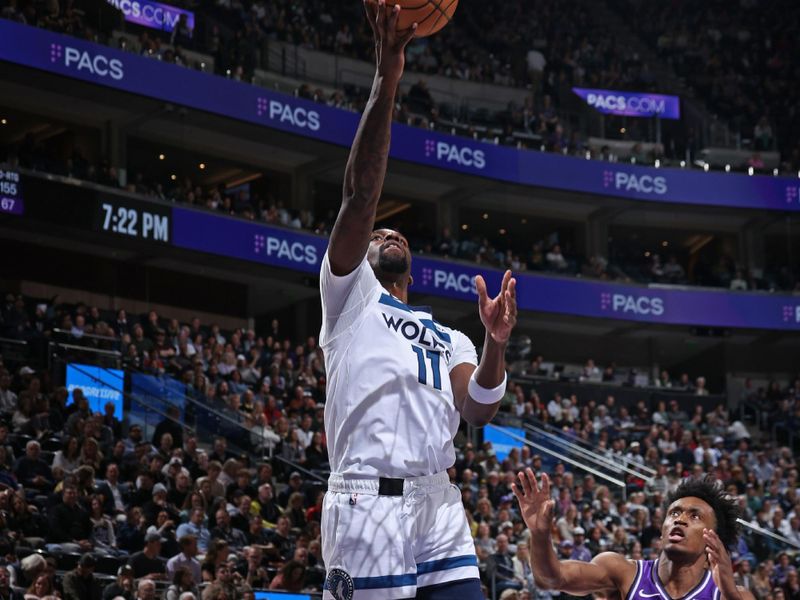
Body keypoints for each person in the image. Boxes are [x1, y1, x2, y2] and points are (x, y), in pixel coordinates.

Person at [318, 1, 517, 598]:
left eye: (395, 232)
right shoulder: (350, 298)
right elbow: (358, 197)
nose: (386, 233)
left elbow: (479, 409)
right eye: (379, 234)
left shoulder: (450, 335)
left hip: (439, 503)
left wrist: (495, 344)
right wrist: (387, 78)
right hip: (365, 500)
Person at [513, 473, 756, 600]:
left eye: (695, 516)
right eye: (674, 513)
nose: (679, 519)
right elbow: (553, 579)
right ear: (662, 528)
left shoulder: (733, 595)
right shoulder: (623, 572)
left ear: (712, 540)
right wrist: (540, 534)